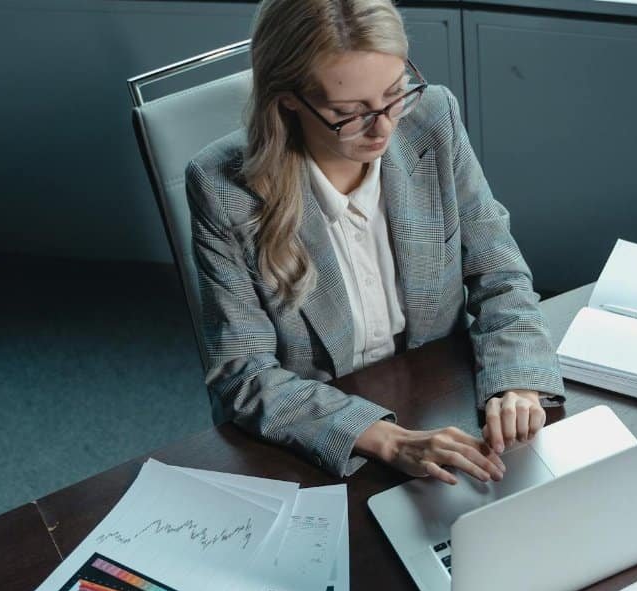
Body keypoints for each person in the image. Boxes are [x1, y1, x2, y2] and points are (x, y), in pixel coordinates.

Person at [186, 0, 564, 485]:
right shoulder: (222, 187)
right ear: (288, 100)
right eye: (349, 112)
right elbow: (244, 372)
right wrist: (388, 439)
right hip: (316, 441)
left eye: (394, 93)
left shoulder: (432, 119)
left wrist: (516, 382)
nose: (385, 126)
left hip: (442, 400)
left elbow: (500, 272)